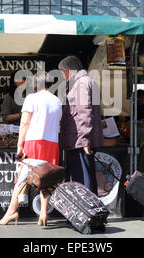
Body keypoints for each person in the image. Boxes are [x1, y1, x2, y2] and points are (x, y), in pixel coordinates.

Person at [0, 72, 62, 227]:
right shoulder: (57, 101)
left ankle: (11, 212)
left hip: (33, 141)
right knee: (47, 178)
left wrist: (20, 145)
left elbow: (24, 123)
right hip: (52, 142)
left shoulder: (31, 98)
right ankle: (43, 213)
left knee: (22, 178)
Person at [58, 56, 104, 195]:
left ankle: (87, 212)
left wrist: (84, 139)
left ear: (68, 71)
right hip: (81, 139)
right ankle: (91, 210)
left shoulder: (81, 83)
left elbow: (85, 111)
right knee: (87, 177)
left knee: (83, 180)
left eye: (61, 73)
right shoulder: (90, 82)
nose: (62, 77)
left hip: (79, 140)